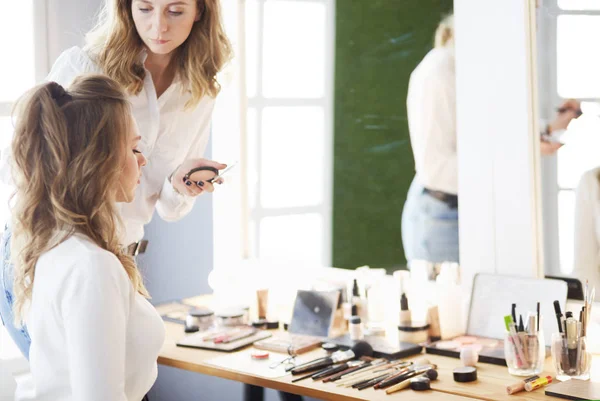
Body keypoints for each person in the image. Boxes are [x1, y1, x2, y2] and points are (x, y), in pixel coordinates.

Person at [0, 0, 230, 358]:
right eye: (145, 9)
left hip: (120, 258)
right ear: (126, 8)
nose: (159, 27)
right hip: (53, 255)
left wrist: (179, 185)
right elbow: (24, 162)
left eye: (175, 11)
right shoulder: (87, 66)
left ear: (200, 11)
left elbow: (168, 208)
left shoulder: (200, 90)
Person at [10, 75, 164, 401]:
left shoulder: (58, 247)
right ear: (101, 160)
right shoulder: (92, 267)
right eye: (134, 148)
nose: (143, 160)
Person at [401, 14, 581, 265]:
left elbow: (486, 134)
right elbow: (436, 170)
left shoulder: (473, 66)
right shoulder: (439, 73)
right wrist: (521, 151)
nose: (535, 21)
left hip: (471, 212)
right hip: (445, 221)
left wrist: (549, 127)